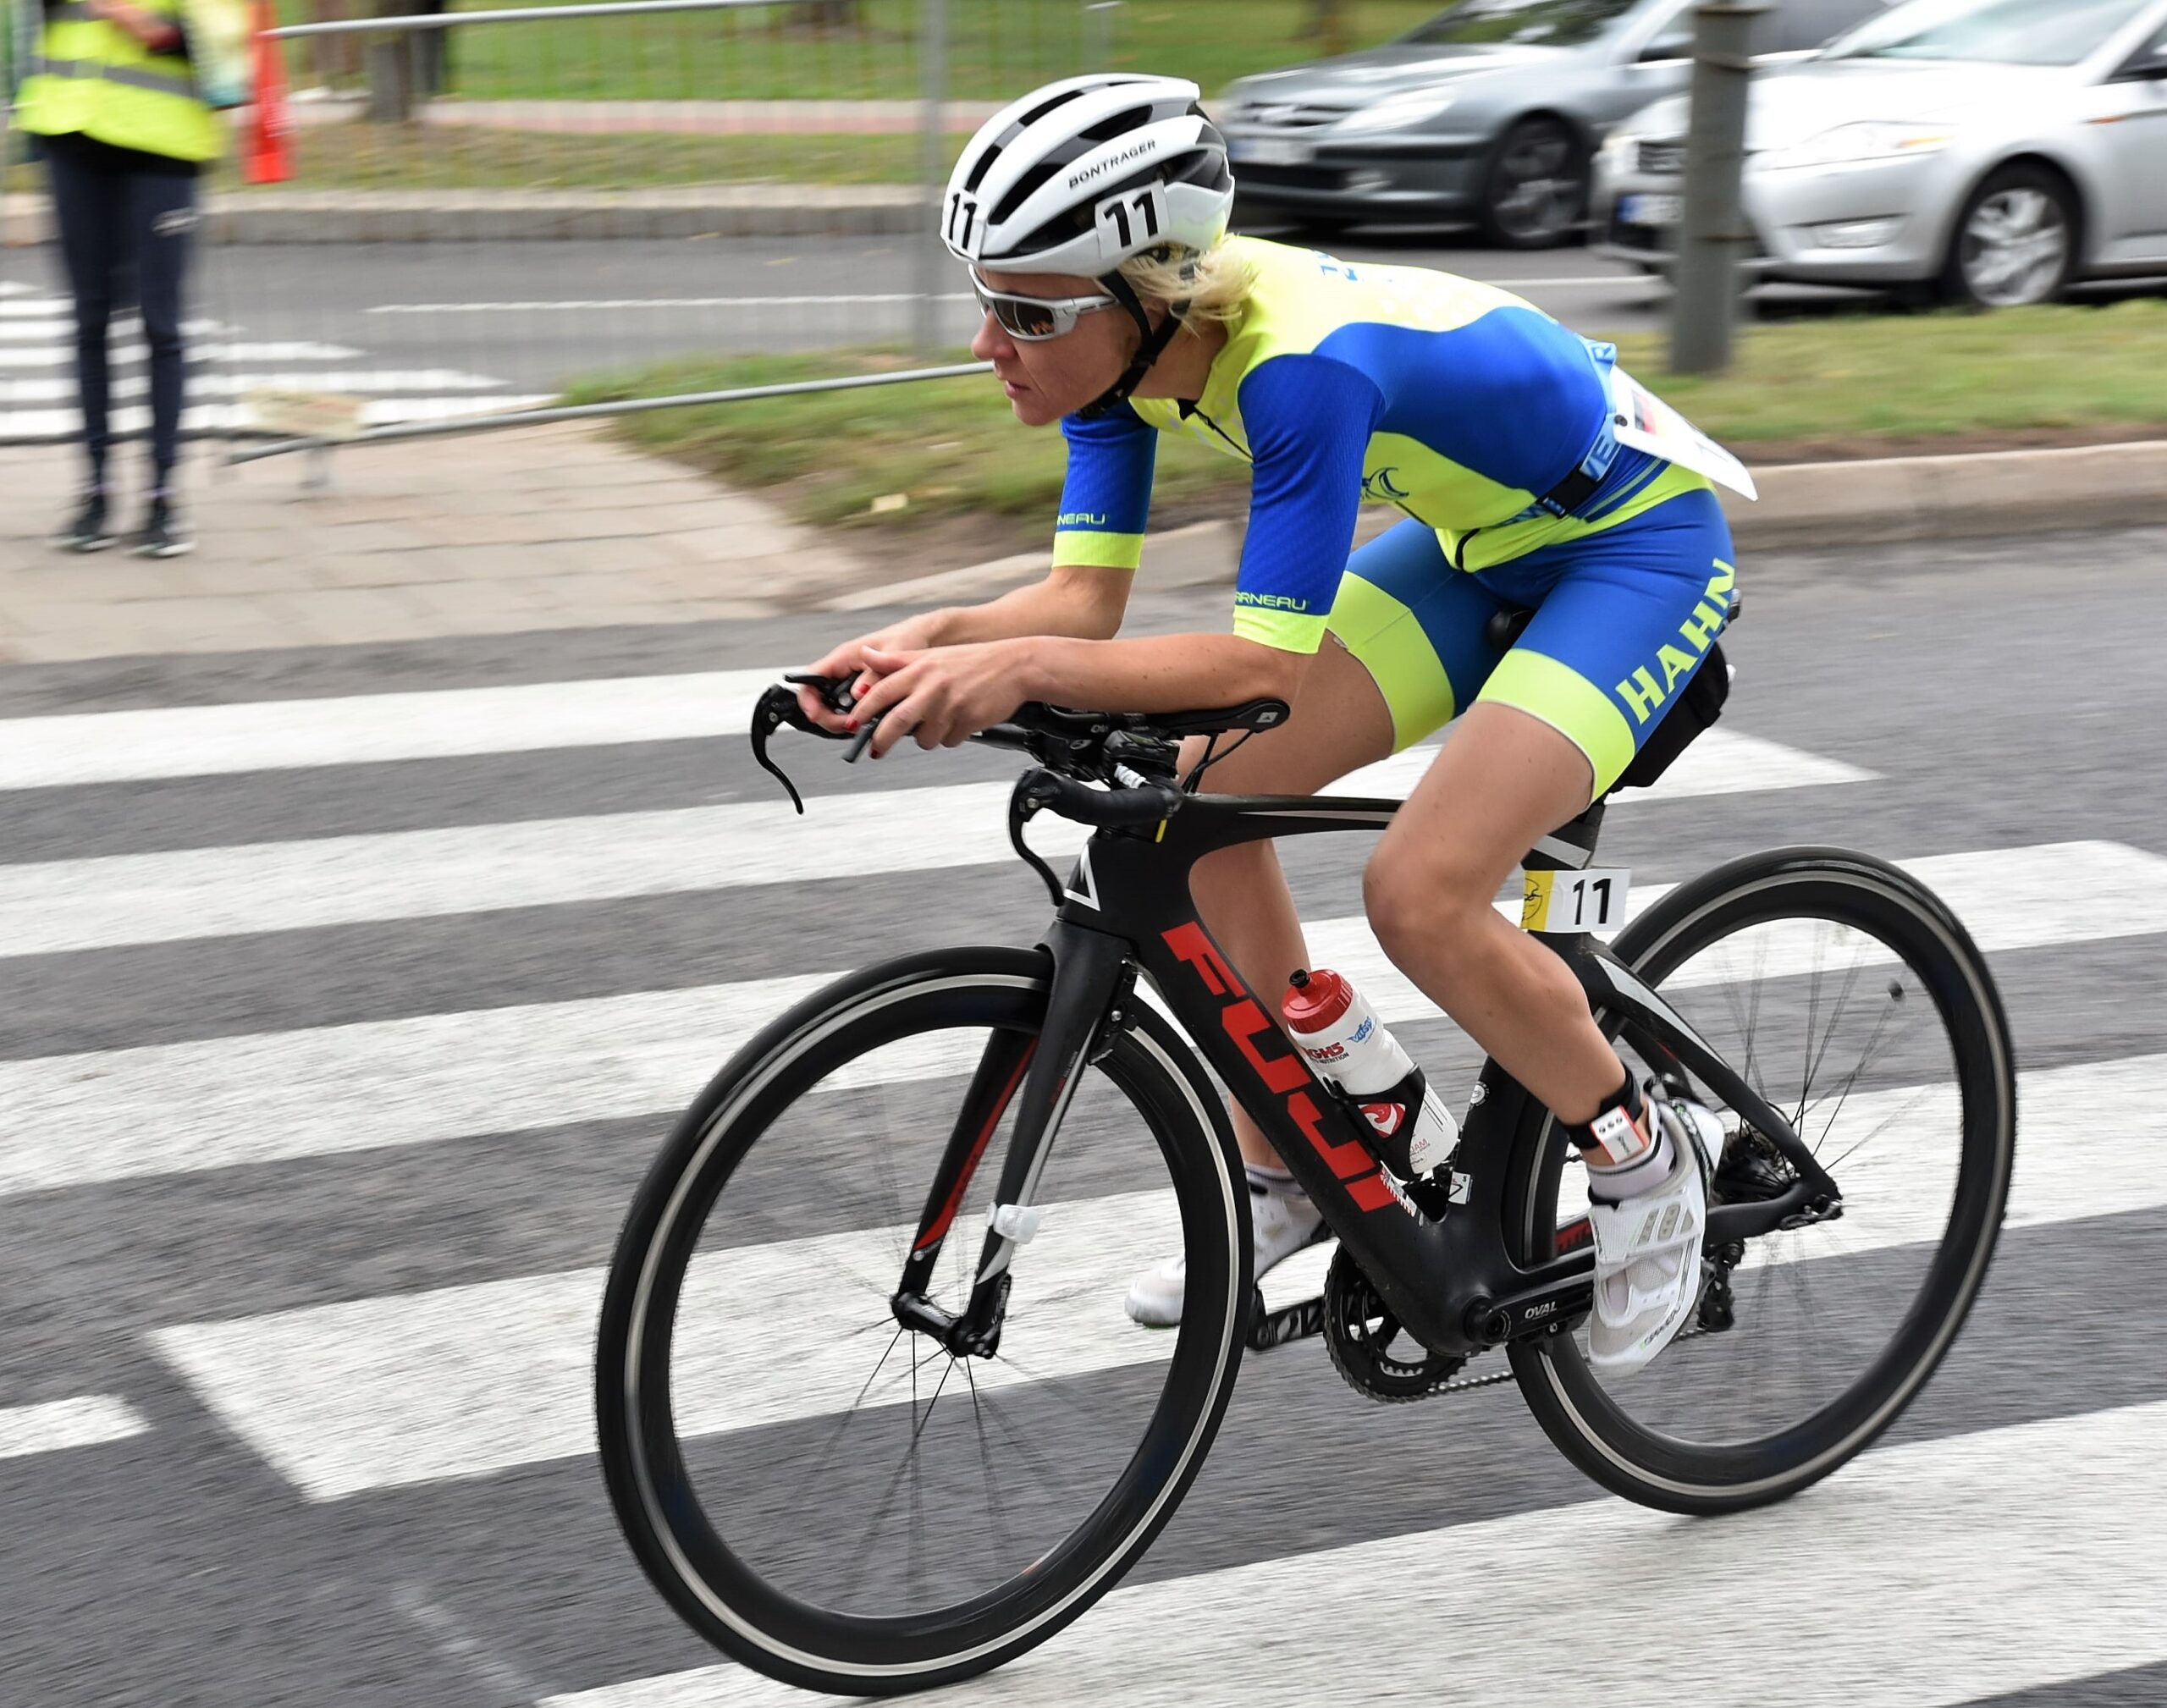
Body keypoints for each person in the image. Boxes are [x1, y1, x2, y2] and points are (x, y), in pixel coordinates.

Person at [802, 74, 1751, 1375]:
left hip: (1632, 549)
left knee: (1420, 892)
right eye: (987, 300)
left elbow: (1259, 659)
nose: (988, 343)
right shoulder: (1128, 354)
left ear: (1147, 290)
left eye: (1027, 312)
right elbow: (1082, 602)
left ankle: (1644, 1155)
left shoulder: (1298, 369)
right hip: (1478, 546)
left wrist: (1019, 668)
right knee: (1188, 807)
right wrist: (931, 638)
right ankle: (1290, 1165)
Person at [19, 0, 226, 557]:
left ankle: (163, 498)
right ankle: (95, 492)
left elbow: (222, 37)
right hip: (73, 132)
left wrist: (140, 21)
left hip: (161, 144)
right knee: (90, 318)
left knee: (161, 323)